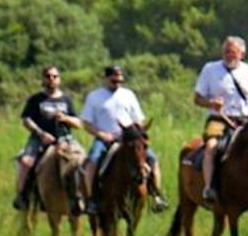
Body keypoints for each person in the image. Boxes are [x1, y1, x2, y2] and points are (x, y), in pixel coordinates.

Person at [78, 64, 167, 213]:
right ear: (105, 79)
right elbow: (86, 123)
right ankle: (91, 199)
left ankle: (156, 194)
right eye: (114, 81)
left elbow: (138, 118)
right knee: (92, 161)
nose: (117, 84)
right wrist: (101, 134)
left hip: (129, 138)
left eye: (120, 81)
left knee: (151, 159)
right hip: (104, 138)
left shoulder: (128, 95)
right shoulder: (94, 96)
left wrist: (138, 131)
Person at [193, 35, 248, 204]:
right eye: (226, 51)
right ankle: (209, 188)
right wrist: (211, 103)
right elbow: (197, 98)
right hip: (219, 118)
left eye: (233, 52)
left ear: (242, 53)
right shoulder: (210, 69)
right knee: (211, 146)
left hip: (245, 120)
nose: (229, 55)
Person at [13, 65, 83, 211]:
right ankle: (22, 195)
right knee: (26, 162)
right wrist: (40, 133)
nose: (51, 79)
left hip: (65, 139)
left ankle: (82, 196)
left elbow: (78, 123)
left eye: (54, 76)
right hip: (39, 139)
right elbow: (26, 120)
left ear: (59, 79)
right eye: (48, 76)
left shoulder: (66, 99)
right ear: (43, 79)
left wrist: (65, 118)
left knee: (82, 160)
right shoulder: (36, 99)